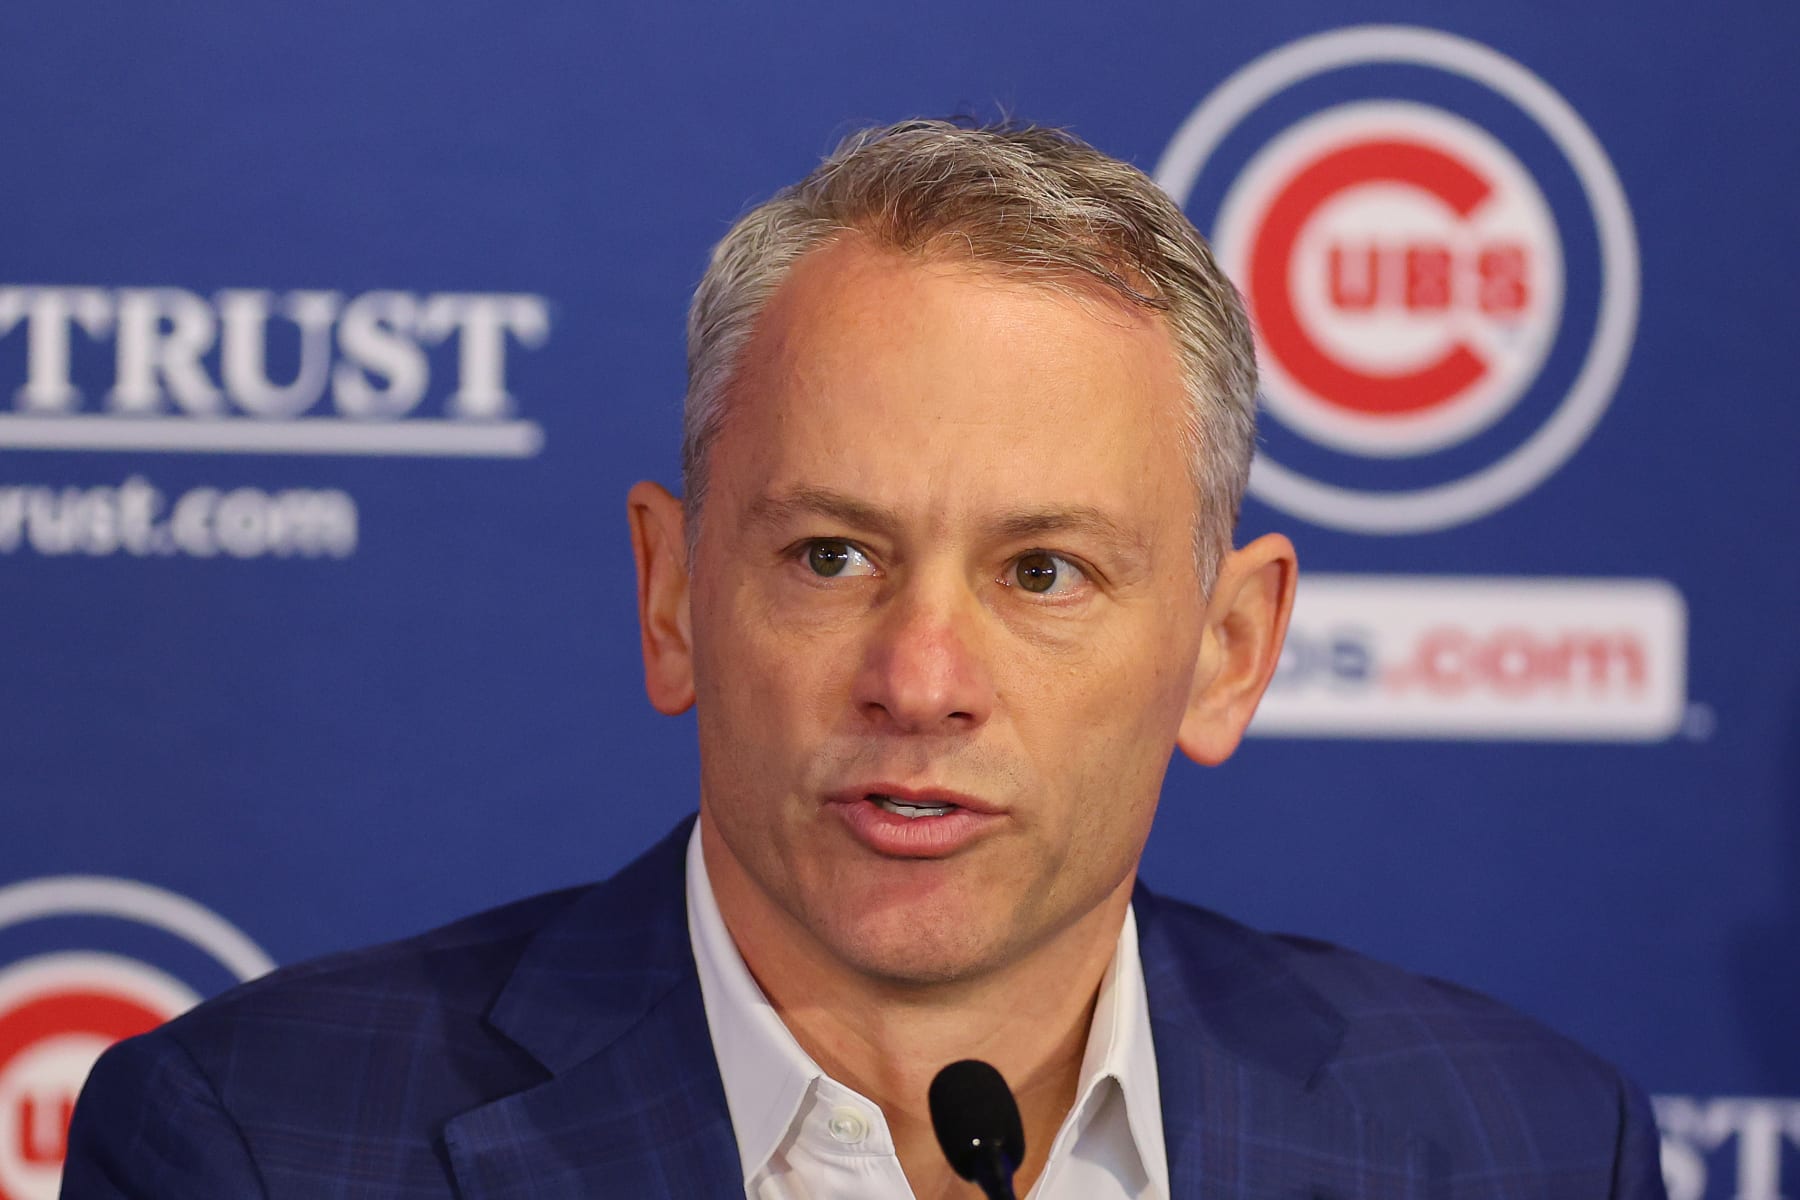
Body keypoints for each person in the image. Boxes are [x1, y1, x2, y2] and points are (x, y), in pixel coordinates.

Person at [62, 119, 1666, 1199]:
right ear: (674, 597)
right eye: (833, 556)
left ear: (1228, 651)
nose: (922, 677)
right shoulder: (264, 1143)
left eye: (1042, 573)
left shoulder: (1518, 1147)